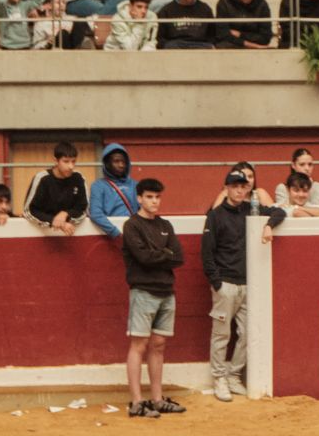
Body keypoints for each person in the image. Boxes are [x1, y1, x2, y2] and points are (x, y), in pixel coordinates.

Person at [201, 169, 283, 403]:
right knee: (222, 334)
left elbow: (278, 211)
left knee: (247, 333)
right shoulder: (215, 216)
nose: (239, 190)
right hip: (225, 284)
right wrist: (216, 283)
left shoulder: (251, 210)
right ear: (226, 187)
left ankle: (234, 374)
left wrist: (269, 225)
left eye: (243, 186)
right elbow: (207, 254)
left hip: (248, 284)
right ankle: (219, 378)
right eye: (235, 186)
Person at [122, 178, 187, 419]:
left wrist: (157, 255)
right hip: (143, 290)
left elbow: (179, 257)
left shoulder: (165, 225)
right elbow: (143, 258)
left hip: (166, 292)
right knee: (138, 345)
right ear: (139, 198)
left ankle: (157, 400)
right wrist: (164, 254)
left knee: (159, 345)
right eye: (149, 197)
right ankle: (137, 402)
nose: (154, 201)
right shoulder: (132, 225)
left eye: (157, 197)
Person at [22, 140, 86, 233]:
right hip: (41, 234)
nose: (71, 166)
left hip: (69, 233)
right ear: (56, 161)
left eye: (73, 161)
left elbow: (83, 209)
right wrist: (52, 221)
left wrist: (66, 214)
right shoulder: (42, 178)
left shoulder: (78, 178)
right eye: (66, 161)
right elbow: (29, 211)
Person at [88, 142, 139, 237]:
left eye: (124, 162)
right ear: (107, 164)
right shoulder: (98, 186)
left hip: (135, 234)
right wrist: (115, 232)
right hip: (110, 237)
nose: (121, 165)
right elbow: (96, 214)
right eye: (116, 161)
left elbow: (144, 211)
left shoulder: (135, 185)